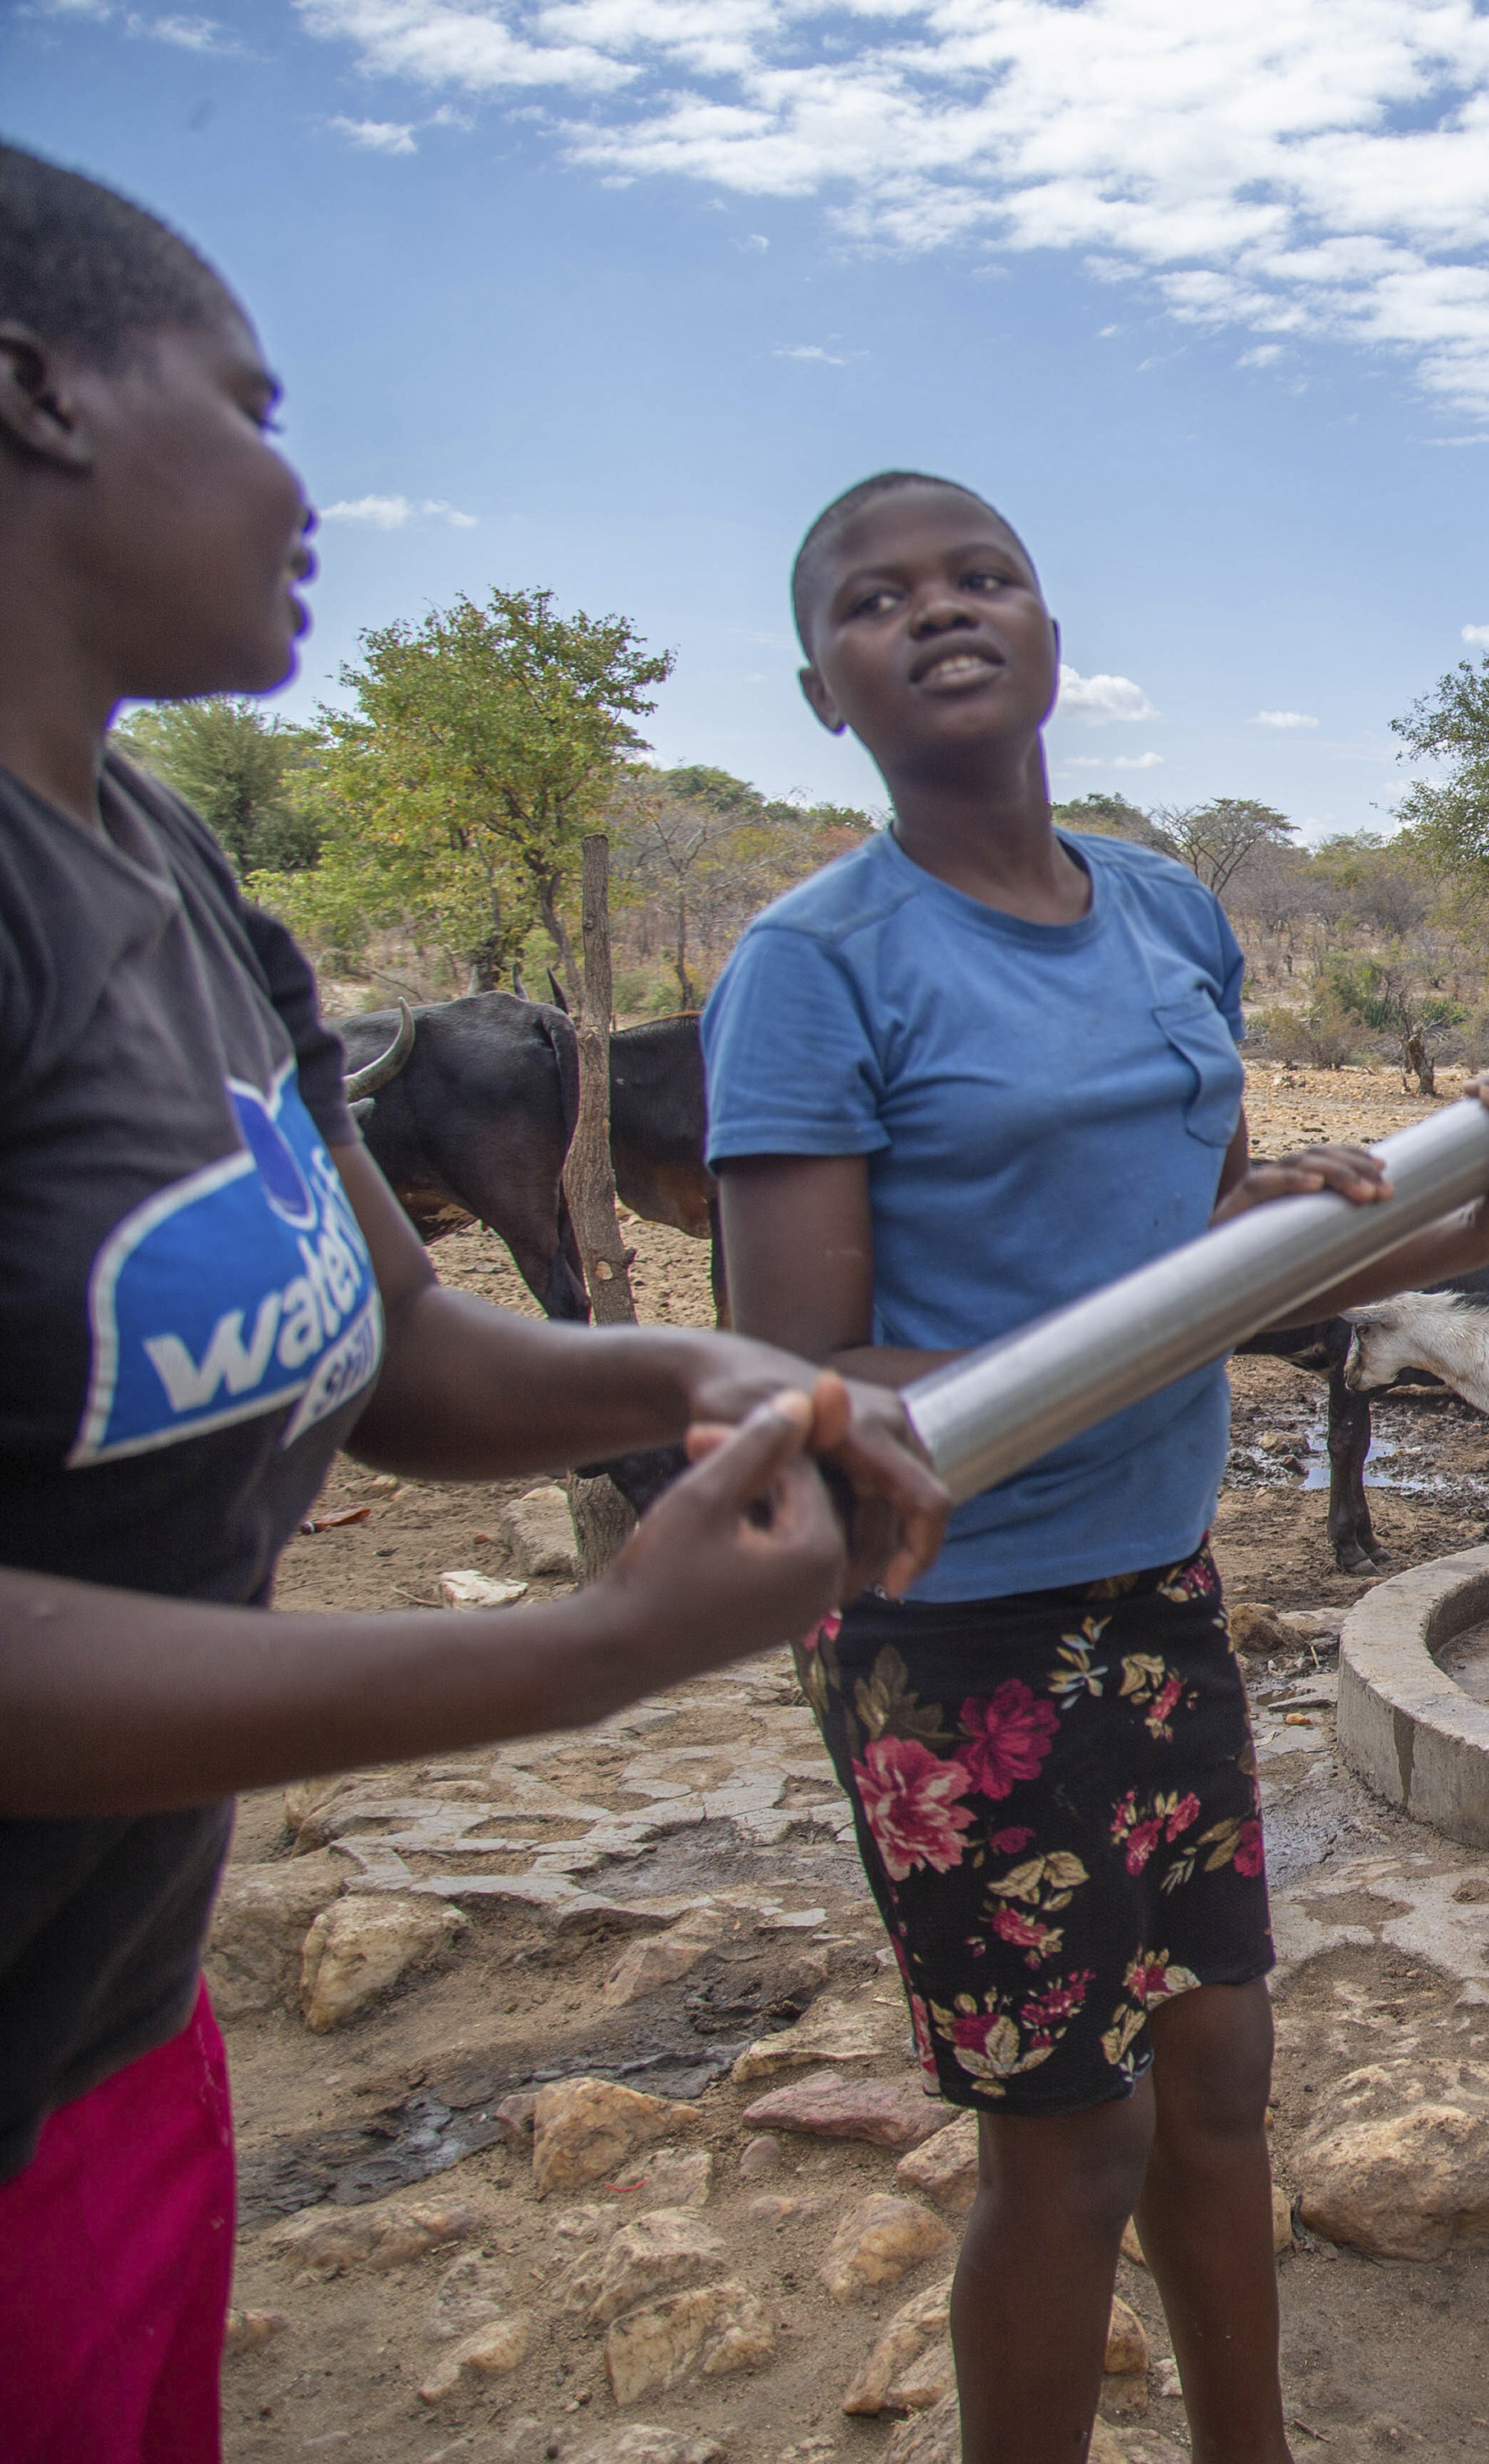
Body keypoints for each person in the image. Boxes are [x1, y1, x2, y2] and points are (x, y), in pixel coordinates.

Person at [0, 143, 954, 2464]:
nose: (301, 477)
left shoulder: (169, 871)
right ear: (32, 395)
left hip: (101, 2026)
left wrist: (698, 1362)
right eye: (252, 398)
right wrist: (577, 1658)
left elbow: (395, 1346)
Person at [709, 467, 1489, 2464]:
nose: (939, 611)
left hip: (1150, 1580)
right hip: (946, 1625)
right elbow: (801, 1371)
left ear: (1047, 632)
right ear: (821, 691)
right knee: (1073, 2144)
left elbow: (1237, 1266)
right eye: (875, 599)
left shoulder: (1169, 910)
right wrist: (1180, 1281)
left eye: (983, 575)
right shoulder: (816, 965)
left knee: (1219, 2083)